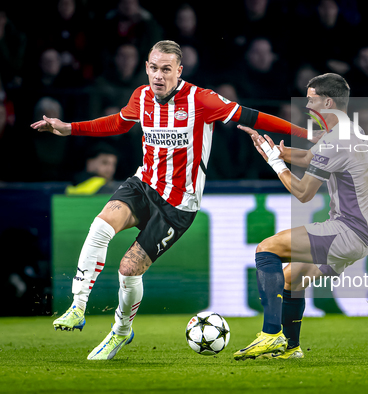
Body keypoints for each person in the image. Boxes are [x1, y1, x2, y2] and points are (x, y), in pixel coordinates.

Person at [30, 40, 309, 361]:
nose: (158, 75)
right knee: (100, 227)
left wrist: (304, 133)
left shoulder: (201, 99)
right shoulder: (142, 96)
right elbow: (120, 121)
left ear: (179, 70)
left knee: (128, 270)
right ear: (146, 67)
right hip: (143, 184)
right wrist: (69, 128)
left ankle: (120, 331)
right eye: (153, 68)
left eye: (166, 69)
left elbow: (256, 117)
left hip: (178, 205)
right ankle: (78, 307)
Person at [233, 73, 368, 360]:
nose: (307, 106)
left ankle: (270, 335)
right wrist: (278, 152)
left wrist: (276, 163)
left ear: (328, 101)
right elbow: (312, 158)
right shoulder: (346, 132)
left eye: (311, 99)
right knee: (292, 277)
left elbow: (303, 193)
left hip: (349, 230)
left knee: (266, 248)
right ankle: (291, 348)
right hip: (361, 231)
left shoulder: (337, 139)